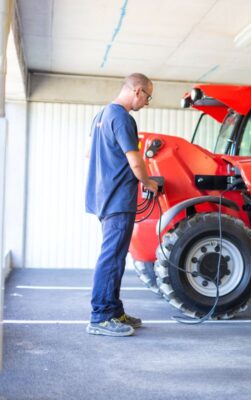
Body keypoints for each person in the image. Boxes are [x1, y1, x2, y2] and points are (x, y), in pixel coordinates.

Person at [85, 73, 159, 336]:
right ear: (138, 91)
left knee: (115, 256)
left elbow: (89, 154)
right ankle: (101, 317)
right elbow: (135, 161)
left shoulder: (101, 116)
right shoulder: (123, 118)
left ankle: (114, 311)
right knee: (112, 257)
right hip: (117, 199)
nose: (147, 102)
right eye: (148, 96)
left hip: (104, 197)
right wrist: (149, 182)